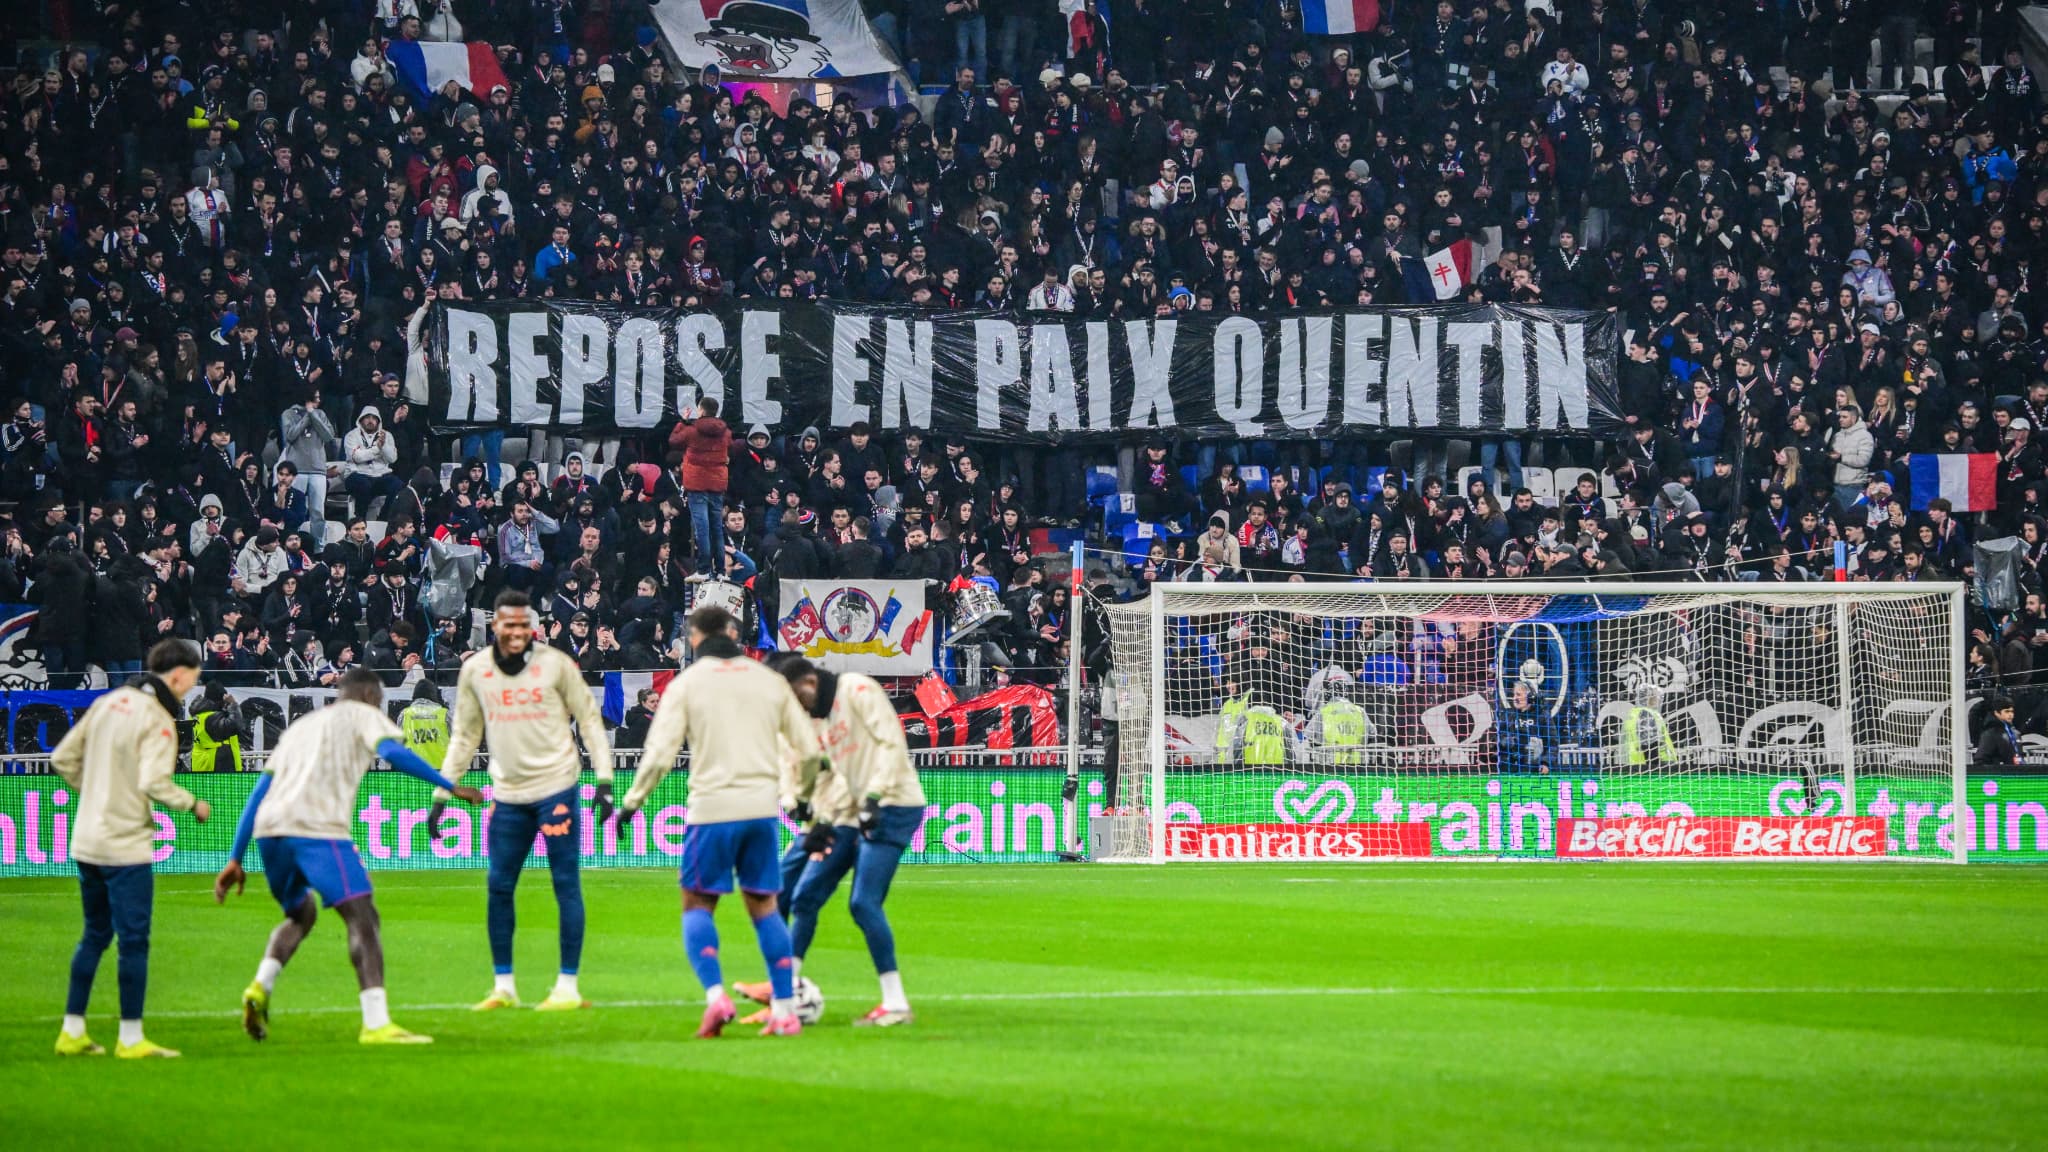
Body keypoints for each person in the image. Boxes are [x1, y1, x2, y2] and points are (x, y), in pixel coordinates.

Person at [211, 669, 484, 1043]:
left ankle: (260, 987)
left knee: (301, 913)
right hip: (316, 829)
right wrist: (449, 785)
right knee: (363, 915)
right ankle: (376, 1023)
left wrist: (235, 858)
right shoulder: (365, 714)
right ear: (371, 695)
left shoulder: (302, 727)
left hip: (269, 831)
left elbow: (259, 791)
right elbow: (393, 753)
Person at [619, 604, 816, 1037]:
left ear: (694, 639)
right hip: (762, 810)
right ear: (733, 634)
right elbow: (809, 749)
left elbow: (658, 755)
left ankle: (716, 997)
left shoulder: (687, 683)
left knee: (697, 903)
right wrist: (800, 802)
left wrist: (631, 803)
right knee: (764, 906)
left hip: (711, 810)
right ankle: (784, 1010)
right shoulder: (768, 680)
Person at [435, 589, 615, 1012]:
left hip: (556, 786)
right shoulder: (476, 671)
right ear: (494, 626)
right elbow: (464, 736)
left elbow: (589, 719)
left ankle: (567, 987)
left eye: (522, 625)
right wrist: (443, 791)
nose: (515, 633)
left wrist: (604, 781)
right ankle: (504, 987)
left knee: (565, 883)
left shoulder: (555, 665)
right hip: (509, 794)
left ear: (532, 627)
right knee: (498, 886)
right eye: (507, 625)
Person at [736, 656, 926, 1027]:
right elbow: (837, 774)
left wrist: (872, 797)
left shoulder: (857, 690)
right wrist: (819, 819)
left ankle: (894, 1003)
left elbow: (891, 744)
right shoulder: (821, 720)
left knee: (862, 903)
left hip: (895, 804)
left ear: (807, 683)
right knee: (805, 895)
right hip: (855, 812)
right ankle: (787, 993)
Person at [50, 639, 214, 1058]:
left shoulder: (109, 702)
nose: (188, 690)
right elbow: (153, 783)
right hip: (125, 847)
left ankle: (72, 1030)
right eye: (191, 681)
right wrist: (191, 803)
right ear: (178, 674)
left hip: (87, 840)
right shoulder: (158, 720)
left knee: (94, 934)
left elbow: (62, 759)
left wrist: (97, 793)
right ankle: (130, 1037)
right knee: (134, 941)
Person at [400, 679, 450, 769]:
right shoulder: (445, 714)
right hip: (441, 772)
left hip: (412, 771)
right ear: (433, 694)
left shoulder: (404, 714)